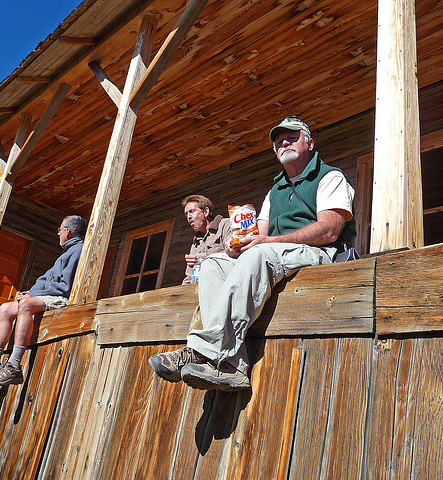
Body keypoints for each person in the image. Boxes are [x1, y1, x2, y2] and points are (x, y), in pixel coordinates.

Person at [149, 116, 355, 390]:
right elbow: (256, 236)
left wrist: (266, 242)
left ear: (310, 142)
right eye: (278, 140)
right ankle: (232, 366)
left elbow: (329, 230)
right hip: (276, 254)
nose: (284, 142)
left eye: (292, 136)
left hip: (319, 254)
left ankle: (203, 351)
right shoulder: (275, 191)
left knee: (260, 254)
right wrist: (237, 246)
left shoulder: (329, 176)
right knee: (213, 264)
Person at [0, 214, 88, 387]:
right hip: (47, 296)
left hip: (61, 298)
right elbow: (45, 281)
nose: (58, 234)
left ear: (68, 231)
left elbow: (64, 287)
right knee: (5, 309)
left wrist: (32, 296)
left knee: (26, 304)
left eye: (60, 230)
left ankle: (14, 366)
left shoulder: (78, 250)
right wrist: (31, 292)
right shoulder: (66, 253)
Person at [181, 195, 231, 284]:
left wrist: (202, 259)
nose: (188, 217)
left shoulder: (226, 224)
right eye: (186, 214)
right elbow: (189, 276)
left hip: (225, 282)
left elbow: (232, 253)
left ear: (206, 212)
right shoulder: (196, 241)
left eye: (192, 211)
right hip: (199, 289)